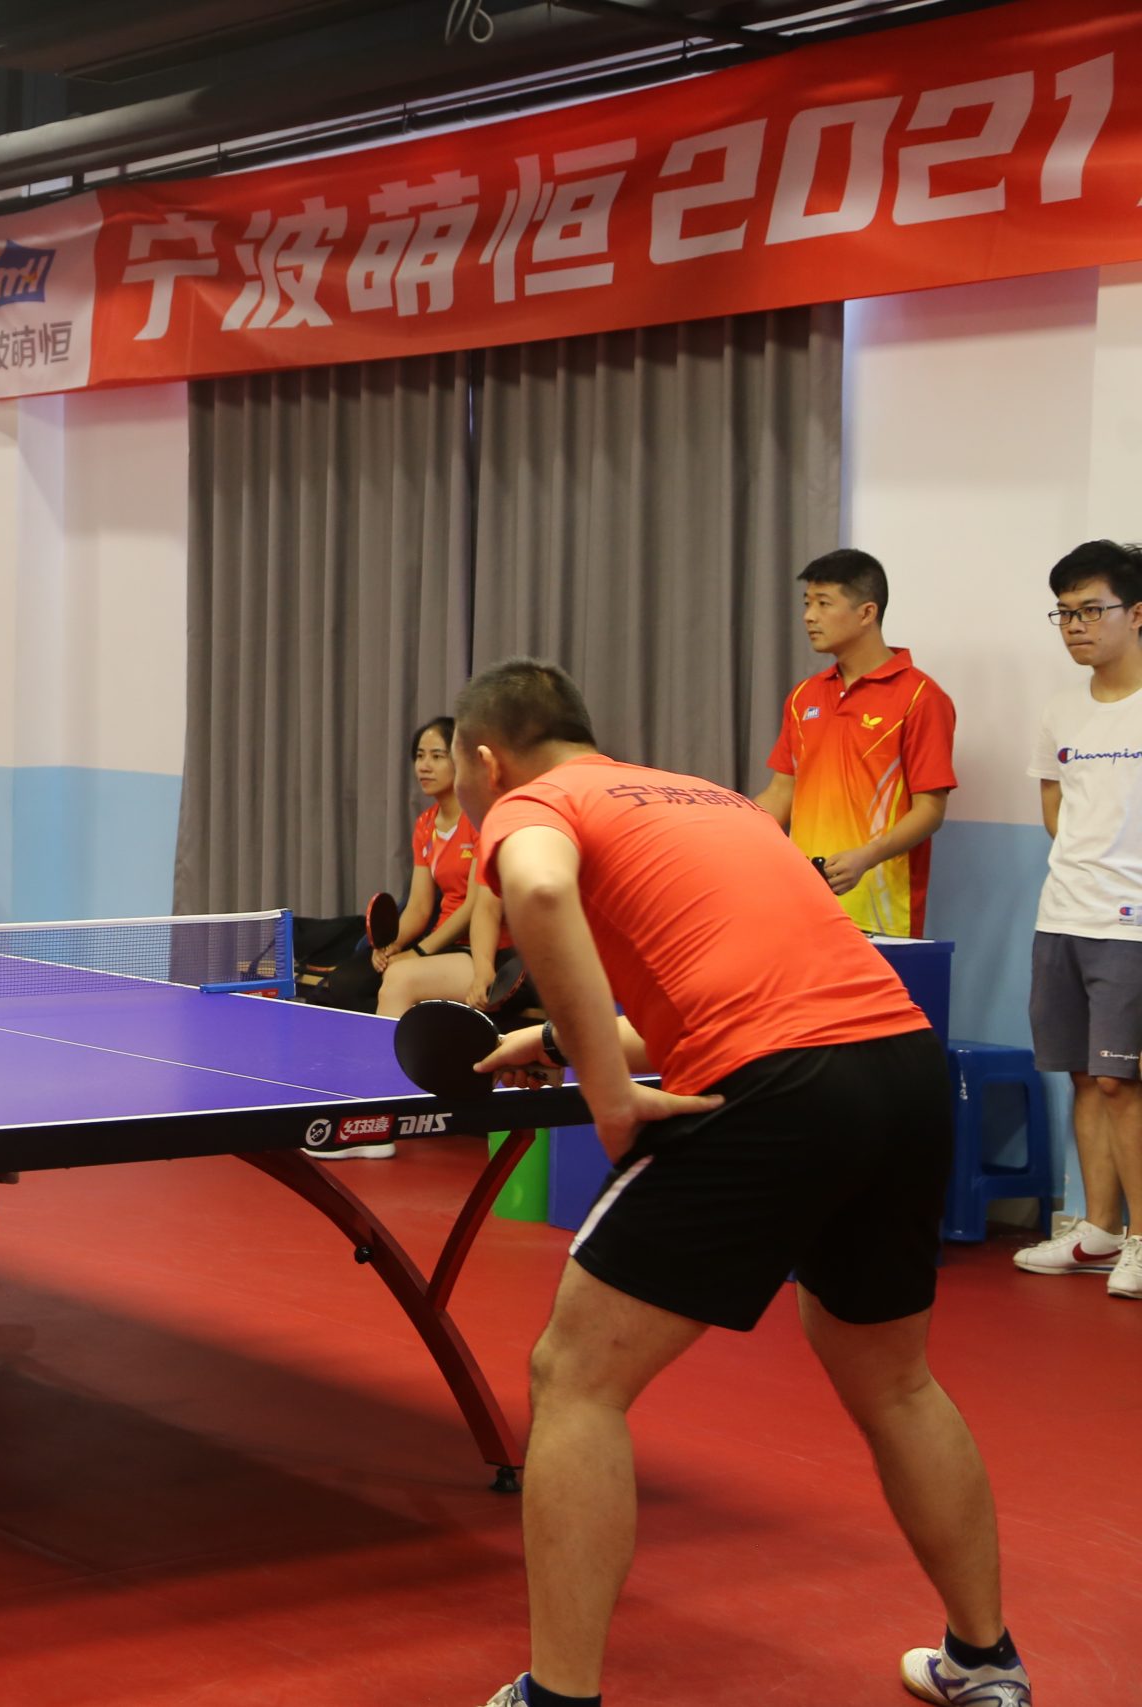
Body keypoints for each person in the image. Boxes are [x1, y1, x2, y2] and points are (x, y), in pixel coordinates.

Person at [451, 660, 1020, 1707]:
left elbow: (537, 889)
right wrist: (559, 1040)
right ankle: (985, 1664)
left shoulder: (536, 802)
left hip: (780, 1088)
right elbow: (748, 986)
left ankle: (558, 1697)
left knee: (576, 1380)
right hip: (900, 1066)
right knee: (896, 1382)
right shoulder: (708, 799)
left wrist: (608, 1094)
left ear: (490, 762)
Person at [1016, 539, 1142, 1298]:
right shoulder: (1061, 709)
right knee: (1081, 1078)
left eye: (1091, 611)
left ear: (1138, 614)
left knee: (1121, 1082)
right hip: (1062, 915)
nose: (1075, 627)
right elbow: (1054, 806)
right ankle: (1097, 1229)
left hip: (1132, 928)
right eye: (1064, 613)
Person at [753, 550, 958, 936]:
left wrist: (866, 857)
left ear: (866, 613)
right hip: (804, 904)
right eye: (807, 603)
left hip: (880, 915)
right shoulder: (803, 697)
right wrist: (727, 829)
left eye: (823, 603)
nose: (809, 616)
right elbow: (781, 793)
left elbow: (930, 810)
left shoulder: (921, 698)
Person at [374, 715, 505, 1019]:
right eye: (420, 756)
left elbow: (477, 907)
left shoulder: (482, 820)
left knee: (398, 978)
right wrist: (393, 946)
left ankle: (383, 1052)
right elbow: (419, 906)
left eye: (436, 756)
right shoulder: (425, 824)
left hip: (488, 952)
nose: (424, 766)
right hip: (446, 945)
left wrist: (419, 952)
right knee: (362, 979)